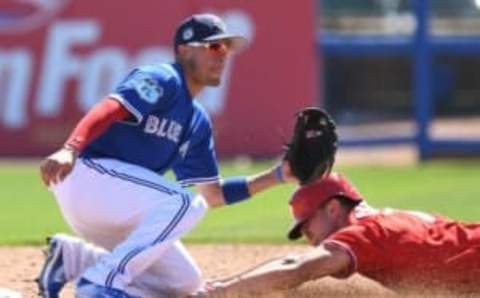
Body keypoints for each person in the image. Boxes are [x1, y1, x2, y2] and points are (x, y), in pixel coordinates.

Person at [37, 13, 295, 298]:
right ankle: (100, 283)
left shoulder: (198, 121)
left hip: (118, 208)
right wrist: (70, 148)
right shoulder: (163, 78)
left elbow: (212, 195)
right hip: (89, 177)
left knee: (184, 283)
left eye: (226, 48)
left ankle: (74, 259)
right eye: (213, 46)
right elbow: (110, 108)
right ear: (184, 50)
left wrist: (278, 175)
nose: (223, 55)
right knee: (185, 202)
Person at [203, 173, 480, 297]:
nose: (307, 236)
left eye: (307, 224)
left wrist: (222, 290)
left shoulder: (365, 234)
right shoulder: (386, 220)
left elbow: (297, 268)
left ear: (333, 208)